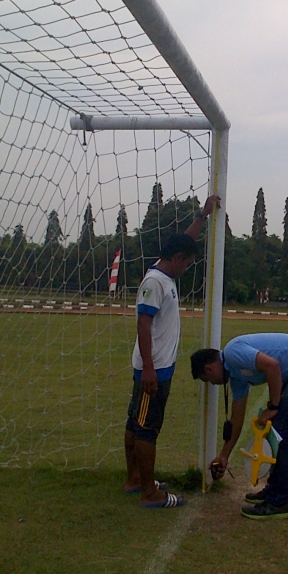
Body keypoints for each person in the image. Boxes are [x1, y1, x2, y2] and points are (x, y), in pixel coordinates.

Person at [124, 195, 220, 507]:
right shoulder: (155, 282)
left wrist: (202, 216)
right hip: (154, 369)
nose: (188, 268)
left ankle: (136, 479)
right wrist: (150, 369)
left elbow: (185, 240)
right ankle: (149, 493)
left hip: (157, 366)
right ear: (177, 258)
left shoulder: (163, 270)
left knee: (135, 423)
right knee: (146, 429)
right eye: (187, 262)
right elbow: (143, 323)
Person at [190, 332, 288, 520]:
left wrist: (273, 406)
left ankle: (279, 502)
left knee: (281, 434)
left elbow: (272, 365)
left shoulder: (233, 352)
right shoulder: (236, 376)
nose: (213, 384)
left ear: (208, 369)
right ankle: (274, 491)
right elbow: (237, 418)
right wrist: (224, 456)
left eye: (208, 380)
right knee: (276, 432)